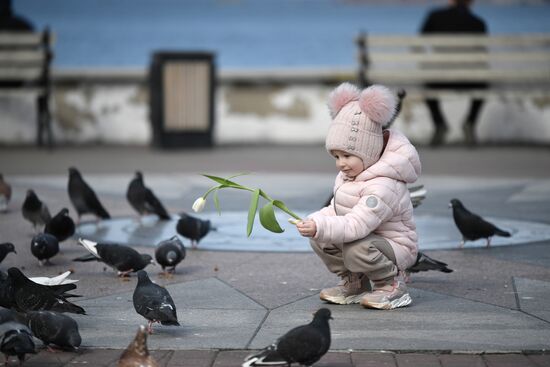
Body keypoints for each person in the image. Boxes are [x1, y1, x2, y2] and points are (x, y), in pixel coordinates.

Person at [295, 83, 421, 310]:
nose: (340, 163)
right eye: (336, 155)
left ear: (369, 151)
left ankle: (391, 285)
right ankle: (356, 283)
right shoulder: (351, 175)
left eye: (347, 155)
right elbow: (337, 210)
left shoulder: (383, 185)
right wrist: (315, 222)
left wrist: (321, 226)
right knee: (321, 238)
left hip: (395, 246)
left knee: (355, 248)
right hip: (369, 239)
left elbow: (357, 225)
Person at [419, 0, 488, 146]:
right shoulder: (478, 23)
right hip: (470, 80)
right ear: (471, 2)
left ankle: (439, 124)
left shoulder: (434, 17)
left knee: (427, 85)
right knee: (484, 85)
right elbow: (482, 54)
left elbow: (420, 43)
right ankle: (470, 122)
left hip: (439, 79)